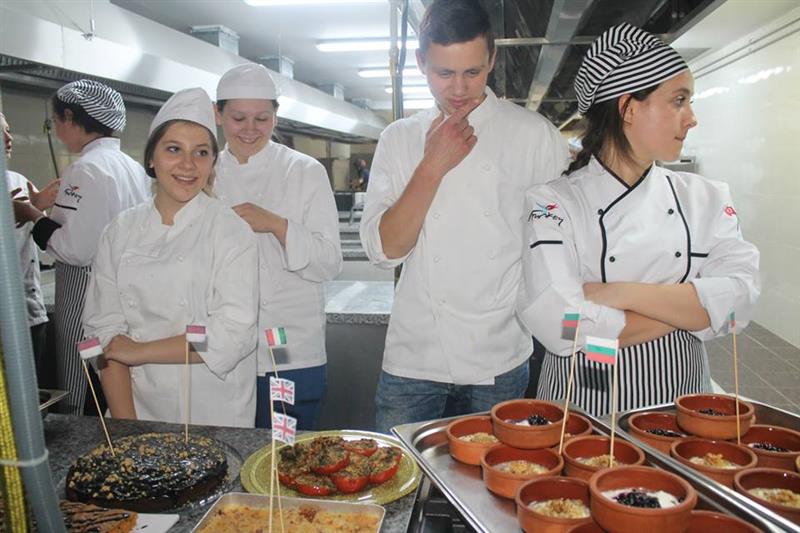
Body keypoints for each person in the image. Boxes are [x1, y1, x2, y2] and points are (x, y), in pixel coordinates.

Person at [517, 23, 761, 417]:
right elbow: (559, 326)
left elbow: (741, 302)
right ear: (628, 108)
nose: (692, 118)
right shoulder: (554, 203)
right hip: (585, 400)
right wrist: (694, 310)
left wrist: (618, 293)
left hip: (683, 400)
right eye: (679, 100)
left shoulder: (707, 198)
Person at [360, 0, 569, 433]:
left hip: (499, 356)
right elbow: (385, 251)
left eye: (472, 72)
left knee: (497, 475)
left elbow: (556, 249)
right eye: (444, 73)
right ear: (421, 62)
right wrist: (431, 167)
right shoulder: (400, 139)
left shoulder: (535, 137)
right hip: (413, 361)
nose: (458, 89)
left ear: (492, 59)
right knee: (402, 475)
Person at [82, 88, 259, 427]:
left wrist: (140, 351)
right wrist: (128, 428)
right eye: (174, 149)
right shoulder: (119, 230)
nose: (188, 165)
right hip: (135, 406)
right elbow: (105, 331)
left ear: (212, 163)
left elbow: (230, 334)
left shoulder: (230, 231)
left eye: (201, 152)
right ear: (151, 158)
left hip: (214, 412)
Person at [213, 64, 342, 430]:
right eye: (238, 118)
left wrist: (276, 224)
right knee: (230, 450)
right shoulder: (205, 172)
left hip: (287, 351)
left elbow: (329, 262)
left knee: (285, 452)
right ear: (218, 114)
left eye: (262, 118)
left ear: (276, 116)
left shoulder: (304, 171)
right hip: (223, 352)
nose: (250, 129)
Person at [13, 80, 150, 415]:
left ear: (71, 117)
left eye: (55, 121)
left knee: (80, 382)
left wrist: (30, 214)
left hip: (84, 294)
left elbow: (75, 249)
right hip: (126, 292)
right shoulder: (131, 167)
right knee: (115, 385)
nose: (57, 131)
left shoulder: (86, 168)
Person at [3, 111, 59, 379]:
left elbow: (41, 240)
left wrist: (36, 207)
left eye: (8, 129)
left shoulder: (18, 181)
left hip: (30, 314)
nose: (8, 138)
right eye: (0, 132)